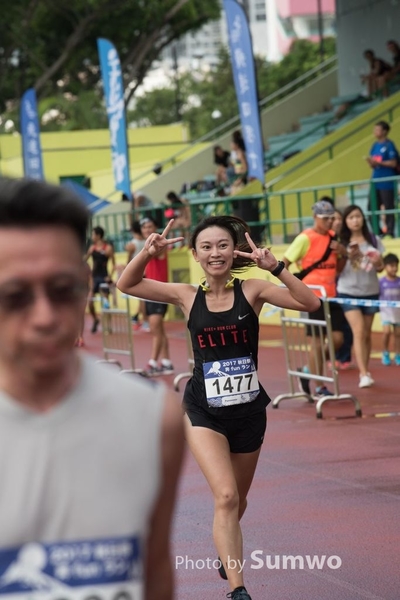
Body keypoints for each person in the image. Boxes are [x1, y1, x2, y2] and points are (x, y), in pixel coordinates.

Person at [0, 176, 184, 600]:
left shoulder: (152, 417)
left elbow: (154, 571)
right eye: (15, 295)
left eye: (63, 290)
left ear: (85, 281)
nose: (44, 316)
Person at [117, 215, 319, 600]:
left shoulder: (254, 290)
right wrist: (146, 253)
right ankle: (238, 589)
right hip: (202, 410)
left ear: (234, 251)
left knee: (238, 502)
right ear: (194, 254)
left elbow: (310, 303)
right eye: (206, 247)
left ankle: (227, 550)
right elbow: (126, 284)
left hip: (248, 412)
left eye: (222, 245)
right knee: (225, 496)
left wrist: (276, 267)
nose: (215, 253)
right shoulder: (186, 296)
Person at [283, 200, 347, 397]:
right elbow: (284, 263)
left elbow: (338, 269)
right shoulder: (305, 238)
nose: (329, 222)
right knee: (317, 343)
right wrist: (294, 288)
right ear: (315, 218)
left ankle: (307, 370)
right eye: (325, 218)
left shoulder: (334, 238)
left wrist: (342, 254)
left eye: (332, 218)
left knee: (338, 339)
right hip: (311, 296)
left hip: (331, 295)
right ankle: (320, 387)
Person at [337, 204, 385, 388]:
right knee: (358, 331)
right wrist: (346, 255)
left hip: (370, 291)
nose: (355, 220)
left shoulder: (373, 240)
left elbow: (380, 269)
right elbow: (338, 270)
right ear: (346, 222)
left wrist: (377, 262)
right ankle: (363, 373)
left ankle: (367, 370)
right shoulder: (342, 242)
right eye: (351, 217)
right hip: (348, 291)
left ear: (363, 219)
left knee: (366, 334)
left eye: (358, 216)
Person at [139, 216, 175, 376]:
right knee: (158, 330)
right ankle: (166, 362)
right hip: (149, 293)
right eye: (144, 227)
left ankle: (152, 362)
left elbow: (157, 253)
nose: (147, 229)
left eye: (149, 226)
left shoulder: (159, 246)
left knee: (155, 328)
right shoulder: (146, 248)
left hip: (159, 293)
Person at [366, 120, 399, 238]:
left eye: (377, 129)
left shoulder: (389, 145)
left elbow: (394, 163)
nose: (375, 132)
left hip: (387, 182)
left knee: (389, 208)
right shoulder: (375, 145)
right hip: (375, 181)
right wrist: (371, 162)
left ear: (384, 131)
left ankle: (390, 232)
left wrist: (380, 162)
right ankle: (378, 232)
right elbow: (374, 164)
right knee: (371, 208)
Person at [332, 208, 354, 369]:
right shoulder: (325, 240)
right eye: (333, 219)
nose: (337, 221)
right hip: (329, 289)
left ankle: (344, 356)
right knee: (331, 329)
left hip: (346, 288)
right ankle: (330, 357)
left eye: (340, 218)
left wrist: (344, 252)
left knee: (346, 326)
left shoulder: (346, 240)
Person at [85, 225, 115, 333]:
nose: (92, 236)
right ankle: (95, 319)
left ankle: (108, 325)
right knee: (90, 303)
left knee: (106, 304)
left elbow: (114, 264)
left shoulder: (108, 248)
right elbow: (84, 260)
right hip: (94, 278)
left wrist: (110, 276)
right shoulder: (92, 248)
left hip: (103, 277)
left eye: (93, 234)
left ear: (98, 235)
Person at [379, 252, 400, 366]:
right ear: (385, 266)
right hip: (386, 312)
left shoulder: (399, 281)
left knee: (398, 334)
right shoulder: (381, 282)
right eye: (391, 266)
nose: (394, 268)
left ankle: (397, 354)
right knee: (386, 332)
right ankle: (385, 352)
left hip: (397, 312)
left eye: (396, 265)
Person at [230, 130, 248, 195]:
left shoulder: (241, 154)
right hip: (238, 177)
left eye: (232, 145)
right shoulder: (236, 155)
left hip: (242, 178)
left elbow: (245, 167)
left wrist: (241, 179)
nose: (231, 146)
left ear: (236, 145)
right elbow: (237, 166)